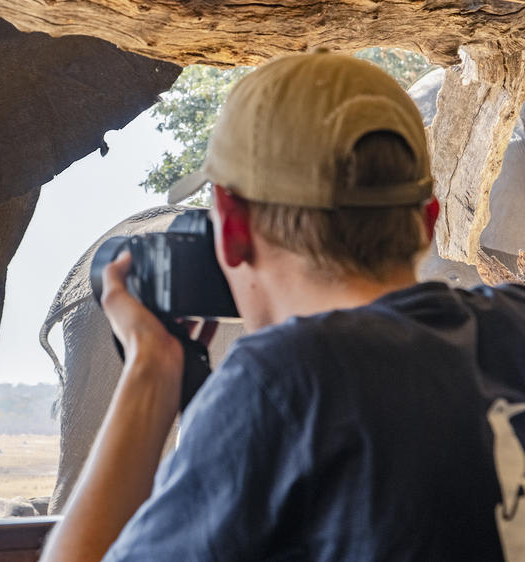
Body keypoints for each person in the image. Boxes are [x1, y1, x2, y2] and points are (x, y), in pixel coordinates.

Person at [40, 51, 525, 560]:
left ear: (228, 227)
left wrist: (150, 371)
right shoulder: (515, 325)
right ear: (429, 220)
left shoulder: (279, 386)